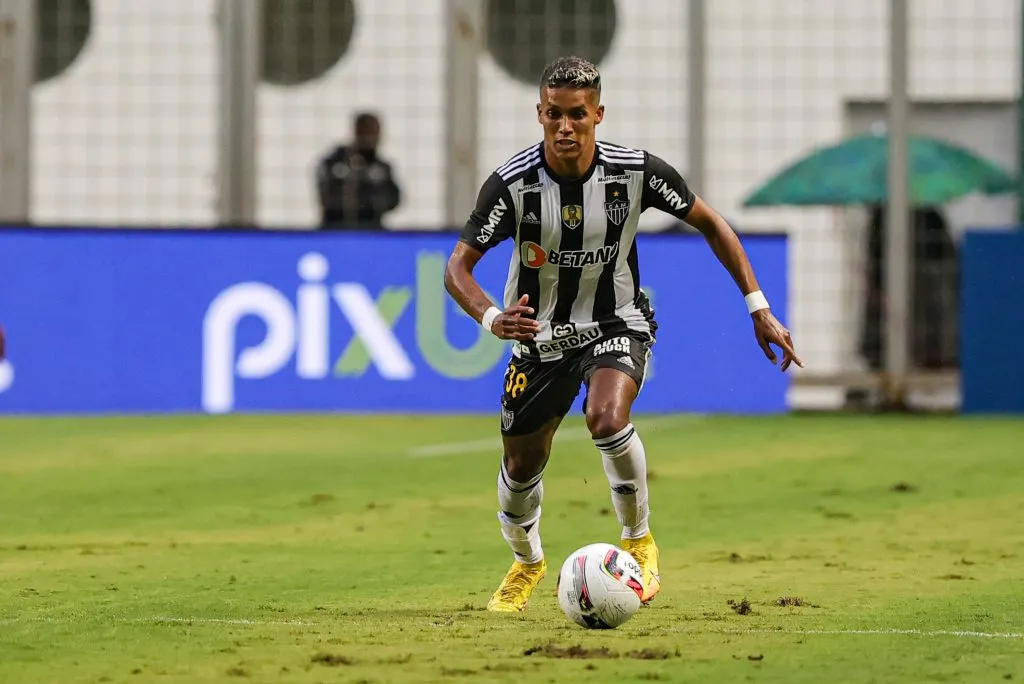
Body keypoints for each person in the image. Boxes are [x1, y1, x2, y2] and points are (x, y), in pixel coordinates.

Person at [443, 56, 802, 613]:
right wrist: (493, 318)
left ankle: (639, 541)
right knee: (519, 469)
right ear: (539, 114)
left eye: (578, 115)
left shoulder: (635, 173)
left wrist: (758, 306)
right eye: (555, 115)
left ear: (598, 115)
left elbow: (712, 222)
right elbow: (457, 269)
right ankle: (527, 563)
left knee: (606, 418)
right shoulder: (512, 186)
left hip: (617, 322)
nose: (566, 127)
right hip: (539, 339)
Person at [315, 112, 401, 229]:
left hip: (372, 230)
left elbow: (393, 201)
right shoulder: (334, 163)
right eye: (367, 133)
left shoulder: (381, 167)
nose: (372, 138)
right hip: (334, 230)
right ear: (357, 132)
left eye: (374, 133)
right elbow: (329, 198)